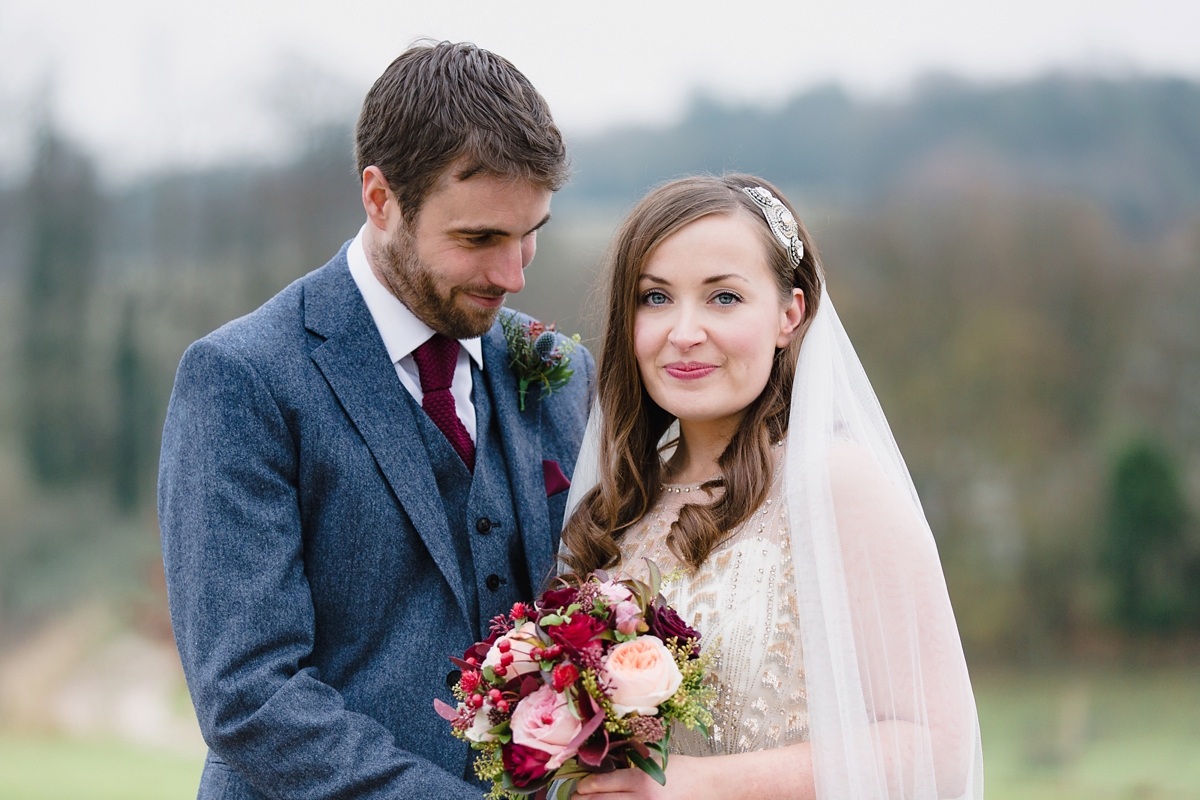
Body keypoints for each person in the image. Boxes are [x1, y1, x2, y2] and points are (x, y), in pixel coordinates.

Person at [158, 42, 593, 799]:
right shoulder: (241, 378)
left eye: (531, 231)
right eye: (479, 238)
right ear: (380, 198)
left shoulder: (554, 369)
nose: (514, 273)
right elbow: (250, 695)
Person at [560, 175, 983, 799]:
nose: (684, 331)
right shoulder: (615, 508)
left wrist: (699, 786)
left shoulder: (836, 485)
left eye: (724, 298)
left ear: (790, 314)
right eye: (655, 298)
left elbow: (937, 743)